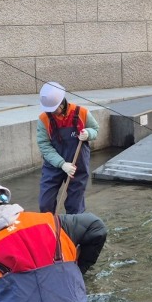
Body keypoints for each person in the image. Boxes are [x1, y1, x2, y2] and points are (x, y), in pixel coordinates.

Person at [35, 82, 98, 215]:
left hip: (77, 164)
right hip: (54, 165)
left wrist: (88, 133)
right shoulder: (44, 119)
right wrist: (62, 164)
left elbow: (95, 130)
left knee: (75, 206)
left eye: (53, 109)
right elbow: (44, 146)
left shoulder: (82, 113)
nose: (51, 112)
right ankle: (50, 229)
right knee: (45, 203)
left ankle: (72, 231)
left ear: (62, 104)